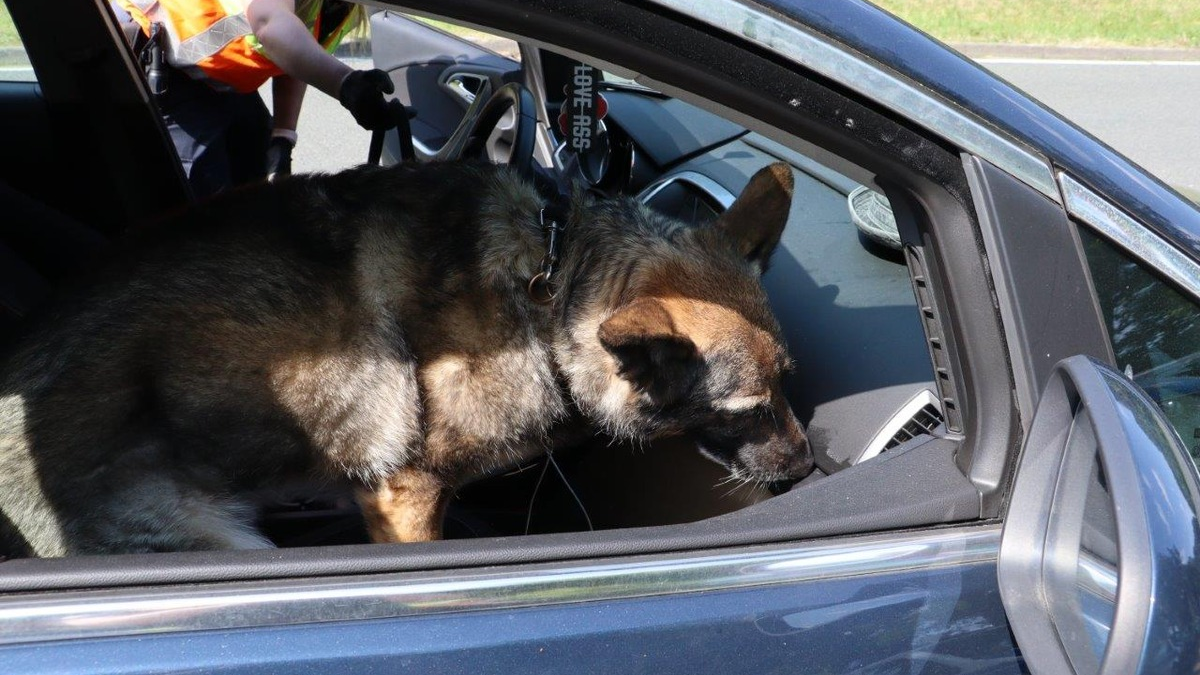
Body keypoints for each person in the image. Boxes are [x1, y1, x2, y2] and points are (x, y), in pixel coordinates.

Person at [114, 0, 396, 198]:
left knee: (255, 187)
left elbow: (296, 54)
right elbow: (270, 24)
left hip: (221, 79)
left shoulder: (338, 6)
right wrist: (344, 83)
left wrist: (283, 137)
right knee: (205, 205)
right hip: (165, 67)